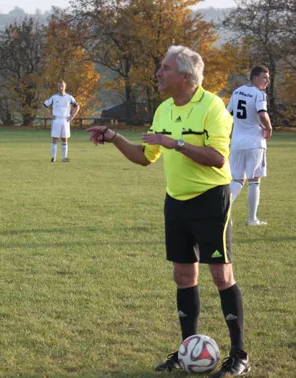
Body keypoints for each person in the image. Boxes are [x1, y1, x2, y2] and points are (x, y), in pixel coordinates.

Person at [87, 46, 250, 377]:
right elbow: (146, 156)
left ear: (185, 75)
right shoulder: (162, 109)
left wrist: (174, 142)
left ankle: (239, 356)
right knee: (183, 276)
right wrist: (114, 137)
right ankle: (187, 349)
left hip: (210, 199)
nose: (158, 73)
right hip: (176, 201)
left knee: (221, 275)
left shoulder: (212, 107)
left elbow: (218, 158)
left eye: (164, 68)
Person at [227, 65, 273, 226]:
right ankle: (252, 219)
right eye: (264, 77)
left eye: (268, 78)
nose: (267, 81)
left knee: (237, 179)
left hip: (237, 143)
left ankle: (223, 213)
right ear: (254, 77)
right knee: (254, 180)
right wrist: (268, 127)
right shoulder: (259, 94)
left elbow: (228, 115)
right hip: (254, 142)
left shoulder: (237, 91)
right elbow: (262, 113)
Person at [43, 80, 80, 162]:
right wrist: (49, 115)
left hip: (65, 120)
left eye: (62, 86)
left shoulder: (69, 97)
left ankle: (64, 158)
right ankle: (53, 158)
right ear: (57, 87)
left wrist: (72, 116)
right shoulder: (54, 97)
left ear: (65, 86)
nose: (61, 87)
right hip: (56, 120)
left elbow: (77, 106)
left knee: (64, 139)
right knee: (54, 139)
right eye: (59, 86)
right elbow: (44, 105)